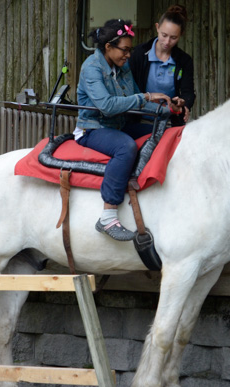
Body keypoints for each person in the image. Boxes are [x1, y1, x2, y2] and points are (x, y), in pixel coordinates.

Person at [74, 19, 181, 241]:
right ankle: (108, 215)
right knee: (126, 147)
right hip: (93, 129)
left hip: (120, 125)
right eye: (124, 50)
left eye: (130, 50)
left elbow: (139, 102)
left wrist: (169, 110)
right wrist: (147, 96)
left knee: (160, 133)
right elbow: (107, 106)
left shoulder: (122, 68)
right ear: (108, 47)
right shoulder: (91, 68)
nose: (128, 55)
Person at [129, 4, 194, 126]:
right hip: (138, 119)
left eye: (173, 37)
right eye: (164, 35)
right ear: (157, 28)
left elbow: (188, 92)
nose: (167, 42)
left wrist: (183, 102)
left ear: (181, 34)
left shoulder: (184, 60)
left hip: (169, 120)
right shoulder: (139, 54)